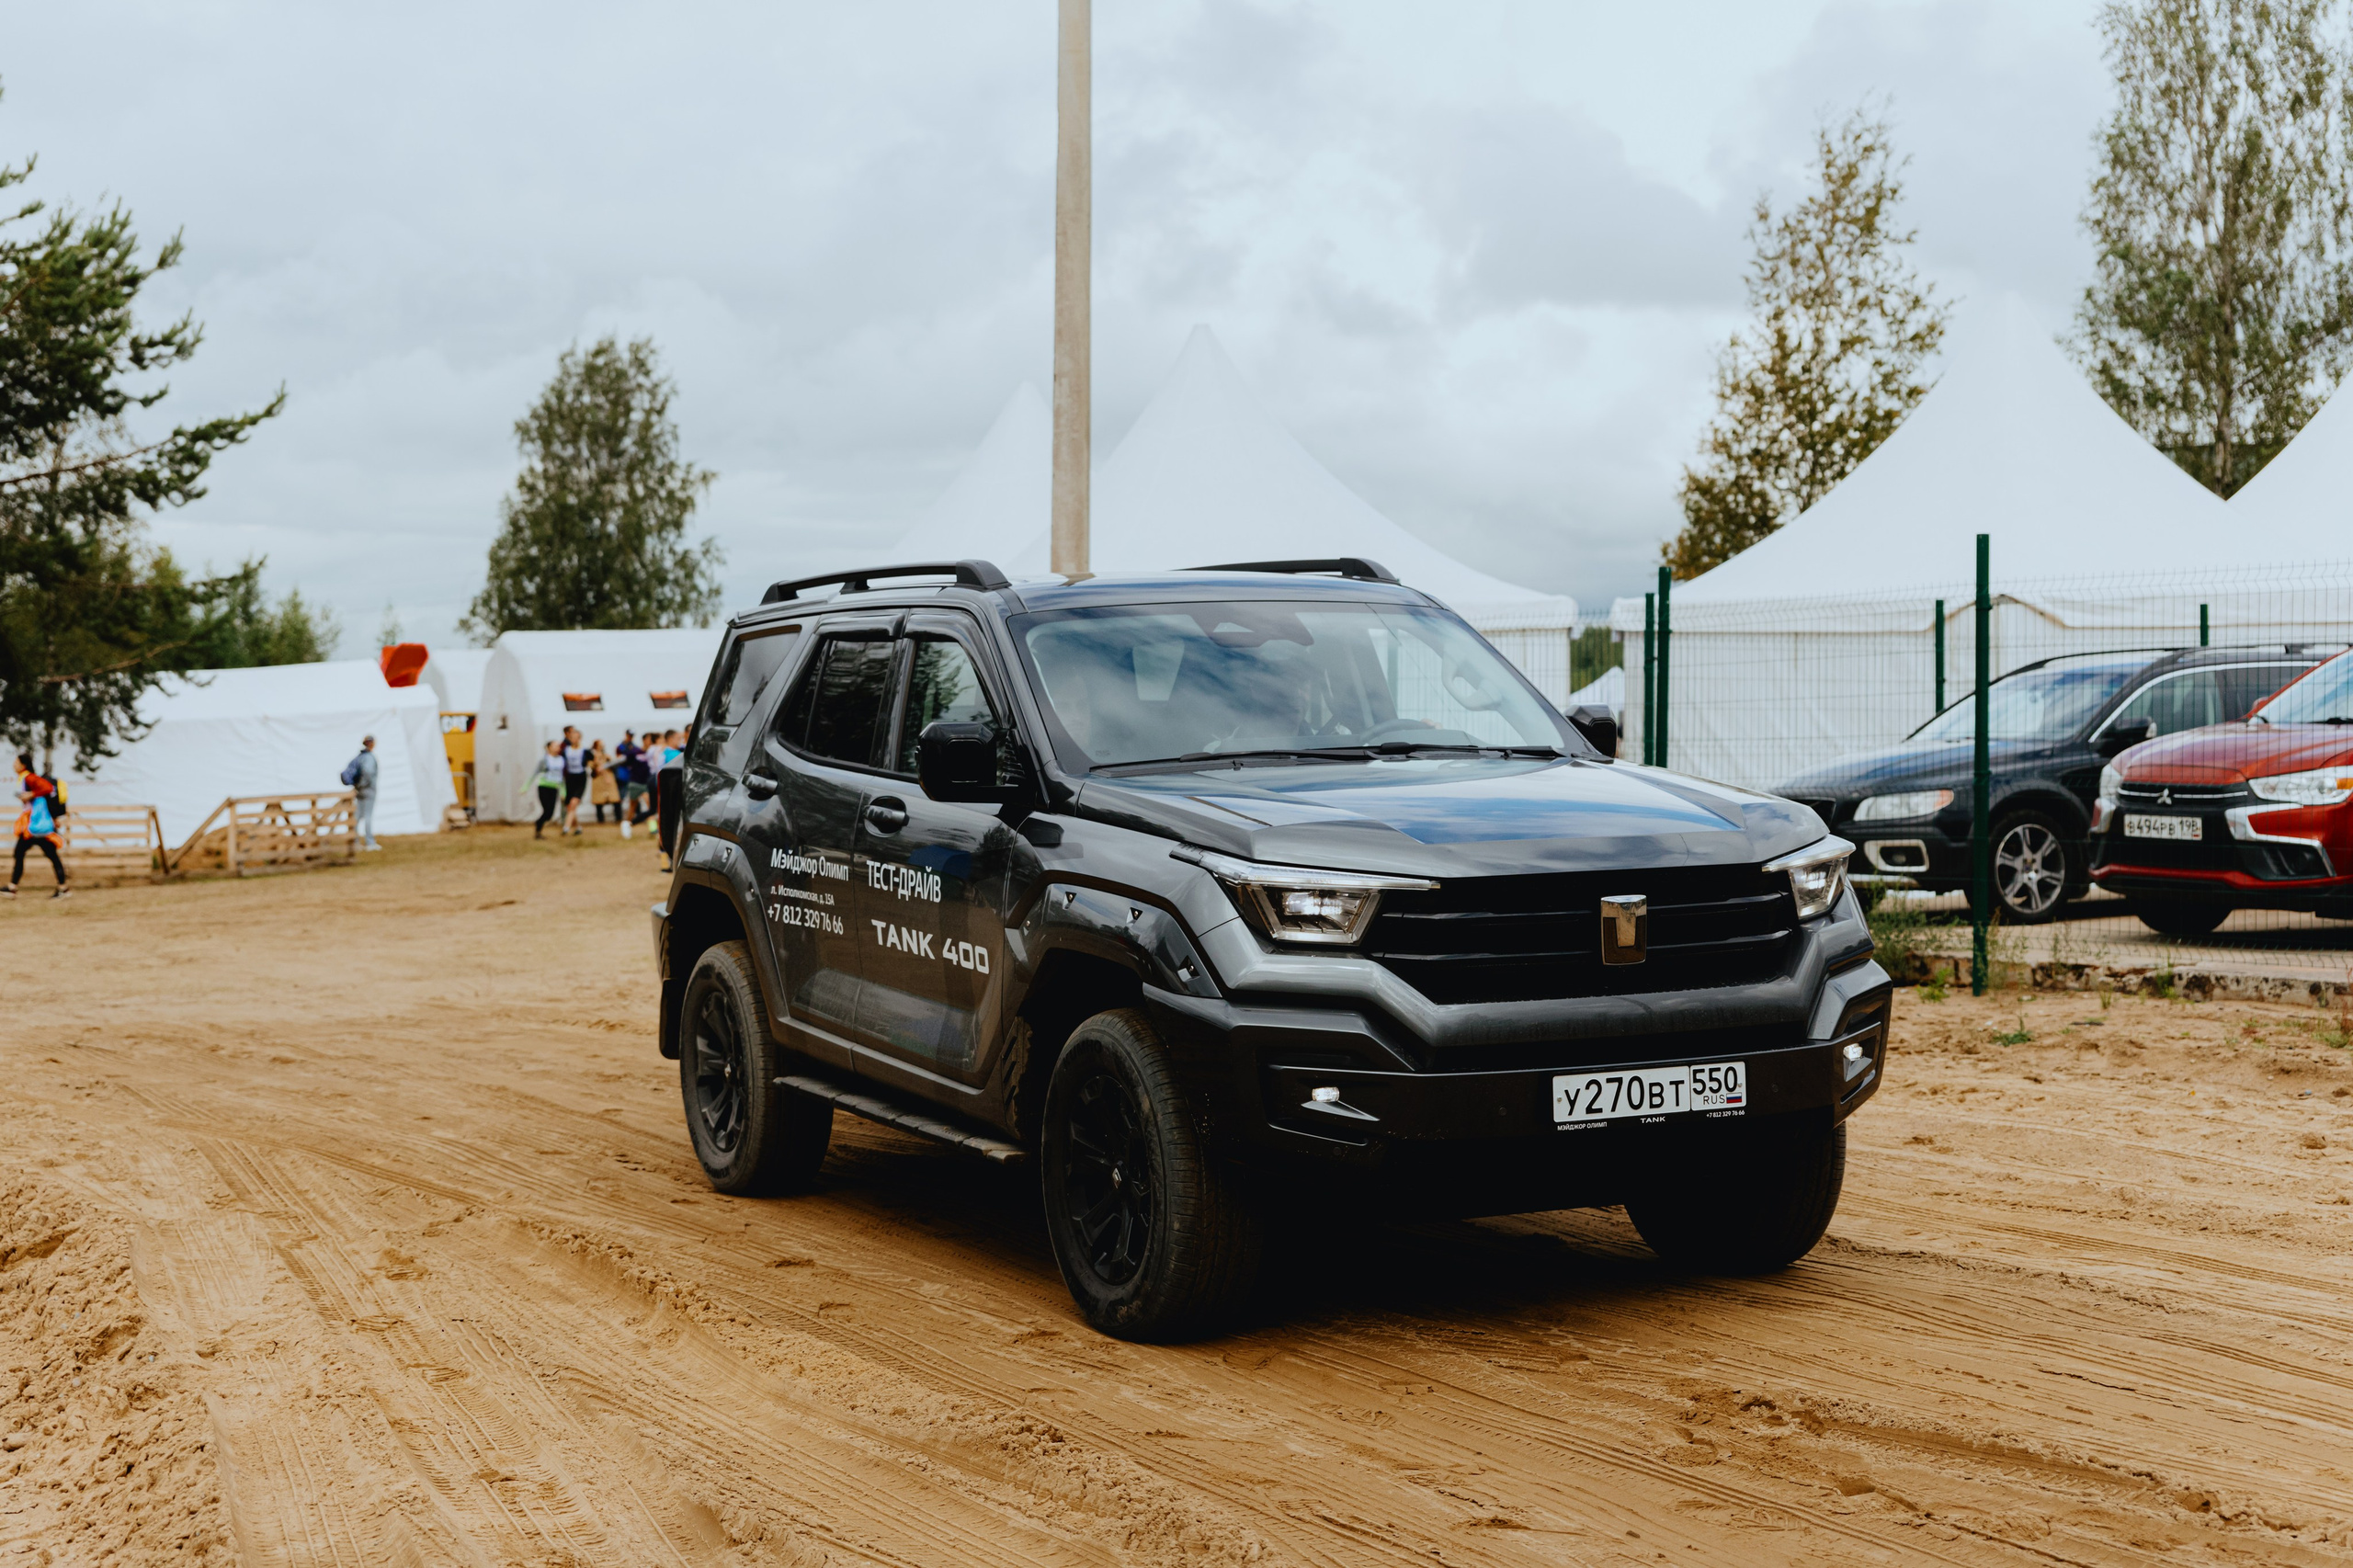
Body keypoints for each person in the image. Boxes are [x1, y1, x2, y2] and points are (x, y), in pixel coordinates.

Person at [6, 753, 69, 900]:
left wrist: (31, 794)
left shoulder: (29, 778)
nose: (13, 765)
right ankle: (63, 888)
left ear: (23, 765)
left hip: (36, 826)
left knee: (21, 853)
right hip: (36, 826)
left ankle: (12, 888)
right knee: (48, 856)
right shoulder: (24, 778)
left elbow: (47, 788)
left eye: (16, 762)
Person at [343, 734, 381, 850]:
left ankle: (355, 840)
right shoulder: (369, 757)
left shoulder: (360, 757)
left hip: (359, 790)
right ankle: (369, 842)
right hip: (368, 789)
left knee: (358, 815)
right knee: (367, 815)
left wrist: (358, 785)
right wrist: (363, 784)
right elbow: (368, 772)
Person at [655, 727, 686, 870]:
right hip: (673, 794)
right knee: (671, 827)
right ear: (671, 739)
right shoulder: (674, 755)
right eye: (678, 738)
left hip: (662, 792)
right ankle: (669, 861)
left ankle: (665, 861)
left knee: (663, 825)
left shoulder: (663, 753)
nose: (680, 741)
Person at [615, 731, 648, 839]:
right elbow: (621, 761)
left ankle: (653, 829)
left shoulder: (650, 752)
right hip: (635, 782)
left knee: (650, 804)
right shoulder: (632, 751)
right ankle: (627, 824)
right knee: (632, 807)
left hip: (646, 783)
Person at [530, 740, 564, 838]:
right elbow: (534, 773)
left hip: (554, 788)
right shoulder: (544, 760)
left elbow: (562, 778)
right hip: (543, 787)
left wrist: (563, 791)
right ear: (549, 748)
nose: (558, 748)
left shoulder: (561, 760)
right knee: (547, 810)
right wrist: (525, 787)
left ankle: (538, 823)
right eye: (555, 746)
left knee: (550, 814)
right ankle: (538, 831)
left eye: (558, 746)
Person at [559, 724, 588, 835]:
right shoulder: (565, 750)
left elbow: (592, 762)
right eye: (572, 737)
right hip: (569, 778)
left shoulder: (584, 751)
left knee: (573, 803)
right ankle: (578, 827)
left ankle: (566, 828)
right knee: (569, 805)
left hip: (580, 778)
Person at [588, 738, 620, 824]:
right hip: (599, 780)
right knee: (599, 801)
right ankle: (600, 820)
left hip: (609, 779)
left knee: (615, 799)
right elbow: (593, 767)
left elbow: (612, 764)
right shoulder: (592, 757)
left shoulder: (607, 756)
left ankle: (618, 818)